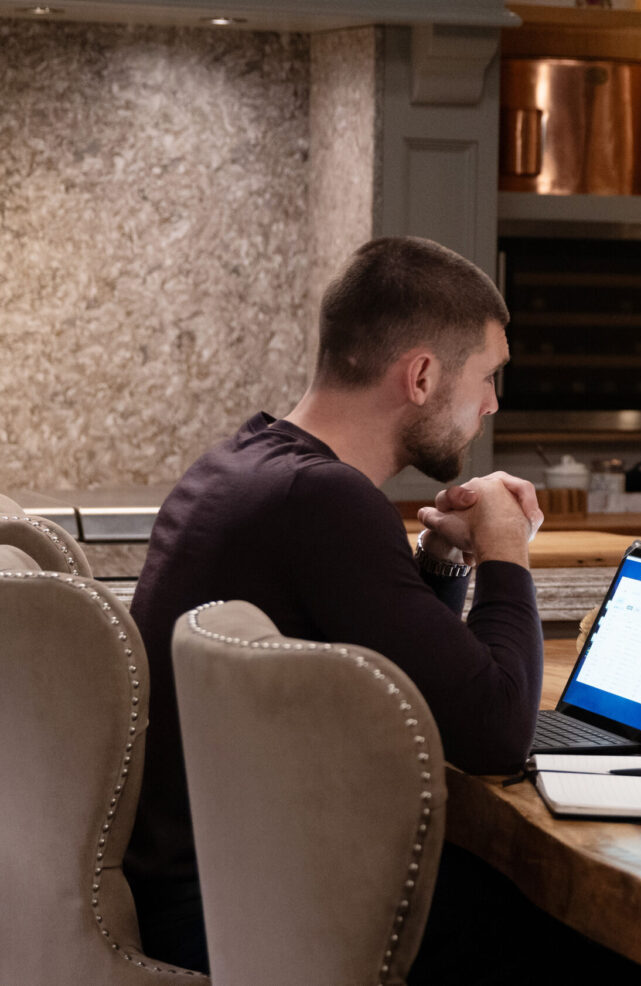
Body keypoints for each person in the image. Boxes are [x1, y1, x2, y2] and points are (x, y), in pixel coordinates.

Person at [125, 236, 546, 979]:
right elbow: (496, 728)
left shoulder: (246, 463)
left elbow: (408, 683)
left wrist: (449, 556)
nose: (491, 404)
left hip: (197, 891)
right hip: (238, 918)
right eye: (487, 377)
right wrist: (508, 547)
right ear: (420, 375)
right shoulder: (324, 500)